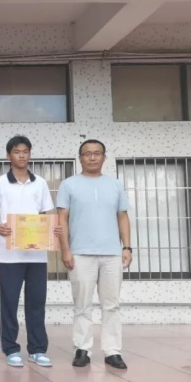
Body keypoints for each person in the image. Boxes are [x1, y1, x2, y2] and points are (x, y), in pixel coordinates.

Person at [57, 139, 132, 370]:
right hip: (80, 254)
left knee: (112, 305)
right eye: (87, 153)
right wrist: (65, 250)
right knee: (82, 304)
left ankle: (113, 351)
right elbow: (61, 218)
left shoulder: (115, 185)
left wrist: (127, 247)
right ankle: (82, 349)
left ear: (104, 157)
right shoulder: (68, 185)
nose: (92, 157)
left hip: (111, 254)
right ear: (80, 158)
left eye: (97, 153)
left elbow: (122, 216)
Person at [0, 135, 56, 368]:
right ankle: (11, 349)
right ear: (9, 155)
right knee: (9, 303)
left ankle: (37, 349)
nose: (22, 155)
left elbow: (45, 215)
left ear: (30, 154)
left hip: (37, 255)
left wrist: (47, 230)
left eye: (25, 151)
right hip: (9, 255)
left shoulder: (40, 183)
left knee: (36, 302)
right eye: (17, 152)